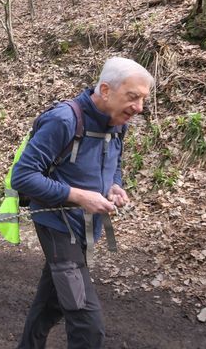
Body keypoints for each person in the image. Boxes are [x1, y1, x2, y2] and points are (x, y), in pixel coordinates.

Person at [11, 57, 154, 349]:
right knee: (86, 323)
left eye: (143, 99)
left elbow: (114, 163)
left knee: (50, 304)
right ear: (105, 90)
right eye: (133, 97)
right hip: (57, 227)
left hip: (87, 227)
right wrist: (79, 195)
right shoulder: (63, 120)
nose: (139, 108)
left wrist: (115, 186)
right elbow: (23, 177)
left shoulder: (118, 122)